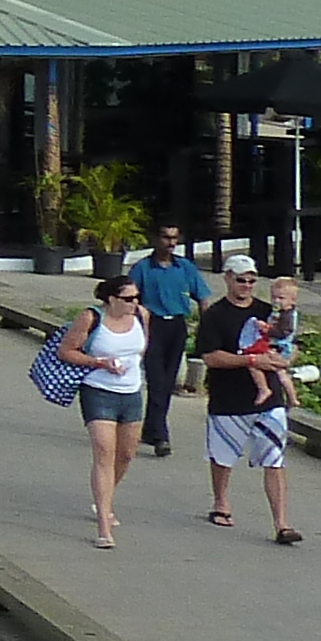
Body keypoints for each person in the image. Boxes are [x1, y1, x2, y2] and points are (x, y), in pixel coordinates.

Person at [196, 262, 301, 542]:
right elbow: (210, 357)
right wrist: (251, 360)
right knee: (223, 455)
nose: (246, 286)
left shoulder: (268, 310)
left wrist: (287, 359)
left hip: (270, 400)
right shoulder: (215, 315)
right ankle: (221, 502)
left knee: (275, 459)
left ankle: (281, 523)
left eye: (252, 281)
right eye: (241, 280)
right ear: (228, 279)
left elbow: (291, 341)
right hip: (228, 397)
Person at [52, 272, 154, 546]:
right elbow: (67, 351)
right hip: (97, 391)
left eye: (136, 298)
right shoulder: (91, 317)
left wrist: (129, 366)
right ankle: (103, 527)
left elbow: (141, 349)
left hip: (131, 391)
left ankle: (105, 498)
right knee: (104, 453)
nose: (134, 303)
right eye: (128, 298)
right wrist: (100, 363)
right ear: (111, 299)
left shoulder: (142, 316)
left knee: (127, 454)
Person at [132, 223, 211, 459]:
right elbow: (129, 297)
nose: (171, 243)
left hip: (177, 327)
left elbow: (203, 298)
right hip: (152, 325)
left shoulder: (184, 267)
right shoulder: (143, 268)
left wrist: (209, 329)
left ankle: (151, 428)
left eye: (175, 238)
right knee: (157, 381)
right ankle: (161, 435)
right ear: (156, 238)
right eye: (166, 237)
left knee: (167, 382)